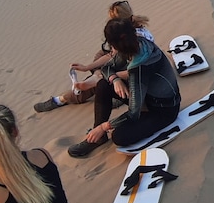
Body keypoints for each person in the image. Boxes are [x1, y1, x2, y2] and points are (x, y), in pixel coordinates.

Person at [68, 17, 181, 158]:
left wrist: (104, 127)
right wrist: (115, 79)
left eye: (110, 44)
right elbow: (106, 68)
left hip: (163, 110)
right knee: (103, 84)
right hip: (146, 98)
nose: (111, 49)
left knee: (119, 137)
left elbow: (133, 113)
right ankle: (99, 138)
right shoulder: (132, 44)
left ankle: (100, 131)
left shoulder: (140, 65)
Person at [34, 0, 154, 112]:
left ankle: (61, 99)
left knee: (97, 83)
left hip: (134, 73)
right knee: (100, 55)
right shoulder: (134, 27)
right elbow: (111, 55)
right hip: (123, 61)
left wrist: (111, 76)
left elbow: (136, 69)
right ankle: (98, 77)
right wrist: (87, 67)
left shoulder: (134, 41)